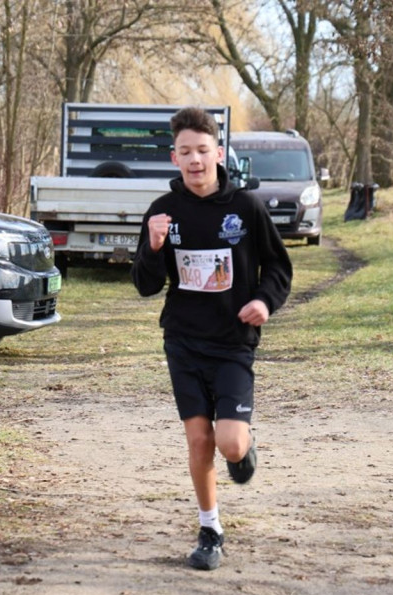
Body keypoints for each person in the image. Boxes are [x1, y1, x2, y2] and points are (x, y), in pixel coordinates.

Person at [131, 107, 293, 571]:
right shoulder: (162, 213)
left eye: (203, 151)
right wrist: (154, 247)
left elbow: (278, 267)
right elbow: (144, 285)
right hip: (183, 340)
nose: (195, 160)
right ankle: (210, 529)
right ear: (174, 158)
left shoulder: (245, 208)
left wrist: (264, 302)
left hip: (232, 341)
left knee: (231, 444)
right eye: (186, 152)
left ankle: (243, 448)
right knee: (199, 439)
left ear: (218, 153)